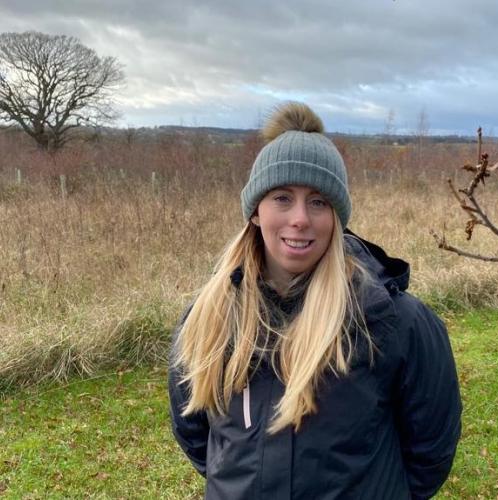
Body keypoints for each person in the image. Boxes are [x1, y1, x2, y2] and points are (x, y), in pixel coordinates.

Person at [168, 102, 462, 500]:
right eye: (282, 198)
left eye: (319, 201)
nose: (300, 218)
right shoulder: (209, 318)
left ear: (337, 218)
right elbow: (198, 436)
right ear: (256, 211)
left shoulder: (393, 321)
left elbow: (430, 451)